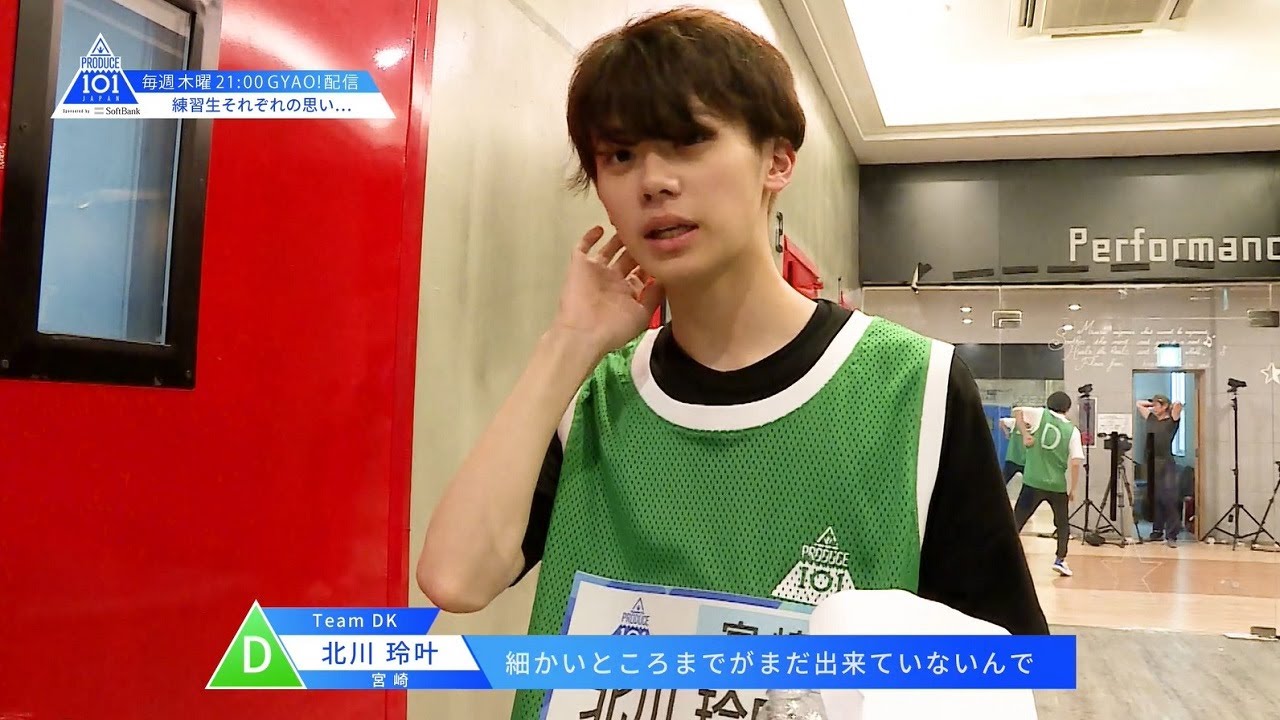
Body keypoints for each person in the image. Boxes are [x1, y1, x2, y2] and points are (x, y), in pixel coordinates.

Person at [415, 9, 1049, 719]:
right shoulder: (592, 395)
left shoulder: (915, 387)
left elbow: (1000, 672)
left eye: (688, 141)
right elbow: (455, 579)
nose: (652, 181)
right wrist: (567, 342)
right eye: (618, 156)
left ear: (777, 161)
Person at [1011, 392, 1084, 577]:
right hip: (1057, 486)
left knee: (1016, 521)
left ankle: (1004, 555)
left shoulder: (1040, 415)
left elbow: (1017, 410)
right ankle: (1060, 560)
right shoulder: (1073, 431)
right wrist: (1073, 489)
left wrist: (1026, 434)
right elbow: (1076, 462)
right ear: (1068, 408)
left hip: (1033, 481)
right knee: (1062, 524)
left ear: (1049, 403)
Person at [1137, 394, 1184, 546]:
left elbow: (1178, 406)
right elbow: (1139, 404)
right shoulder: (1151, 418)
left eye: (1158, 405)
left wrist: (1168, 406)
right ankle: (1157, 531)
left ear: (1164, 407)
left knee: (1169, 498)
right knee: (1155, 498)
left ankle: (1172, 535)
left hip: (1166, 463)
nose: (1154, 407)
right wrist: (1153, 404)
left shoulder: (1171, 421)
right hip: (1152, 463)